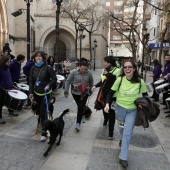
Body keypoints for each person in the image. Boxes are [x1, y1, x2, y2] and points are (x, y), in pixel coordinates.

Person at [104, 60, 148, 168]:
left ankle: (123, 157)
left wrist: (145, 104)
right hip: (119, 109)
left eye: (129, 67)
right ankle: (122, 139)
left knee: (127, 133)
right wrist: (107, 104)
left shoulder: (140, 81)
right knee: (121, 130)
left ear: (134, 69)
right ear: (123, 69)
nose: (127, 69)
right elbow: (110, 93)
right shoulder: (119, 80)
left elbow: (146, 95)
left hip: (132, 111)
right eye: (125, 67)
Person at [29, 51, 57, 142]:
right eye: (36, 56)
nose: (38, 58)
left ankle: (44, 133)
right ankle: (45, 125)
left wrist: (49, 85)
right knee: (39, 113)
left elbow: (54, 79)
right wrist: (30, 92)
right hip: (36, 94)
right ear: (34, 58)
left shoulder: (47, 67)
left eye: (40, 56)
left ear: (43, 58)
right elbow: (31, 82)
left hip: (45, 94)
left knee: (43, 112)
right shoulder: (33, 68)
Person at [92, 56, 120, 139]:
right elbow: (102, 81)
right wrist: (95, 86)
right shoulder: (104, 71)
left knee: (111, 113)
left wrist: (107, 74)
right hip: (103, 95)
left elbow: (115, 81)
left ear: (110, 63)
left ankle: (110, 133)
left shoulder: (118, 71)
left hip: (113, 96)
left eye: (105, 62)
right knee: (105, 110)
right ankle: (105, 119)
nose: (104, 63)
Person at [64, 61, 93, 131]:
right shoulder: (74, 72)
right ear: (79, 67)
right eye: (82, 69)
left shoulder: (89, 73)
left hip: (84, 93)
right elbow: (68, 81)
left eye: (85, 69)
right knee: (80, 106)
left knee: (80, 107)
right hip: (75, 92)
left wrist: (90, 90)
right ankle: (82, 115)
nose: (83, 70)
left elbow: (91, 82)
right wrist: (66, 91)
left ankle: (78, 123)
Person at [0, 55, 13, 124]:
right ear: (3, 61)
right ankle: (0, 117)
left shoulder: (7, 68)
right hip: (1, 89)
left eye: (9, 61)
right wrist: (2, 87)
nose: (9, 63)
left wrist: (11, 84)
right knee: (0, 104)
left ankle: (11, 111)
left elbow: (9, 77)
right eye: (8, 62)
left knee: (7, 101)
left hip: (8, 88)